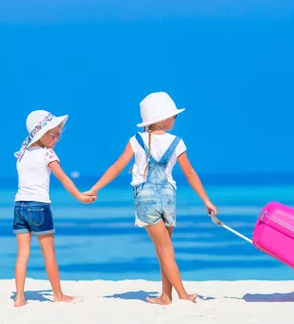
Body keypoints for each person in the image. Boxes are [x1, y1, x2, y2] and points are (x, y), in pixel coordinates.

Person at [84, 92, 217, 305]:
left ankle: (179, 295)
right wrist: (206, 200)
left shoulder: (136, 140)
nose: (175, 119)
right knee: (166, 249)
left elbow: (117, 167)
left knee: (163, 250)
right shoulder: (177, 142)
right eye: (174, 115)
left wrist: (95, 188)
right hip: (168, 198)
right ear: (163, 118)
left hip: (147, 199)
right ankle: (167, 296)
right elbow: (190, 173)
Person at [12, 109, 96, 307]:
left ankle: (19, 297)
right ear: (41, 134)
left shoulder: (22, 154)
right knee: (49, 254)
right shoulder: (47, 153)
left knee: (22, 254)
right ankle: (58, 294)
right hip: (39, 207)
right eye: (53, 133)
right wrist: (80, 196)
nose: (57, 138)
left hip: (19, 206)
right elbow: (64, 177)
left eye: (59, 134)